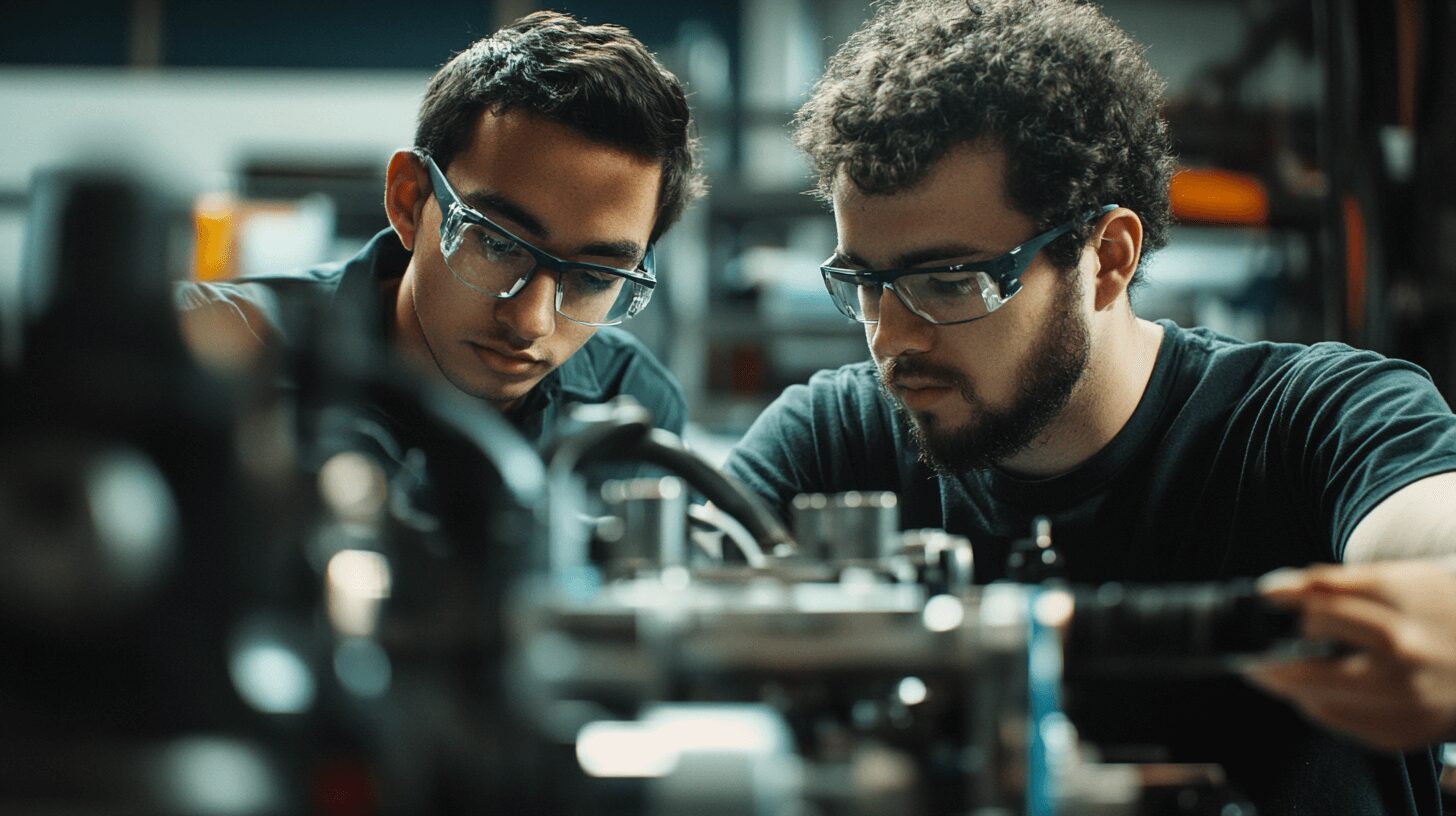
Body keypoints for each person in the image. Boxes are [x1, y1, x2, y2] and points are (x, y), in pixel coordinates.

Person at [722, 0, 1456, 812]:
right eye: (865, 283)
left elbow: (1434, 541)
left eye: (950, 282)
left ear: (1107, 258)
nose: (890, 338)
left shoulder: (1315, 418)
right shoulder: (834, 441)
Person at [178, 11, 703, 450]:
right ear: (410, 200)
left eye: (593, 278)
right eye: (497, 244)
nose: (531, 321)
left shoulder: (634, 401)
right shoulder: (219, 358)